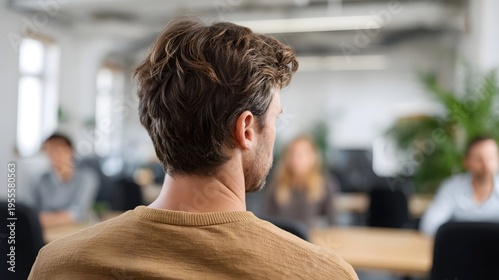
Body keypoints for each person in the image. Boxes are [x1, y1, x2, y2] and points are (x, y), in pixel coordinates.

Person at [29, 18, 358, 279]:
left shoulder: (56, 265)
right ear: (246, 130)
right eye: (274, 119)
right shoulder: (323, 274)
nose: (274, 135)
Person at [420, 136, 499, 236]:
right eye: (479, 159)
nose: (486, 165)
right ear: (466, 161)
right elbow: (429, 226)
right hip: (459, 248)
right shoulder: (451, 188)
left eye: (491, 158)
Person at [25, 133, 99, 228]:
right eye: (49, 152)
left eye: (57, 150)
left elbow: (76, 214)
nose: (53, 156)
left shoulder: (87, 178)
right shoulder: (38, 179)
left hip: (73, 231)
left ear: (70, 151)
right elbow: (27, 211)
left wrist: (38, 219)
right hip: (44, 230)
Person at [265, 135, 337, 228]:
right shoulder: (277, 186)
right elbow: (268, 221)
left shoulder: (325, 184)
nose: (296, 159)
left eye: (301, 155)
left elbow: (332, 222)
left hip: (312, 240)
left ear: (313, 157)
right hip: (283, 239)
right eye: (292, 154)